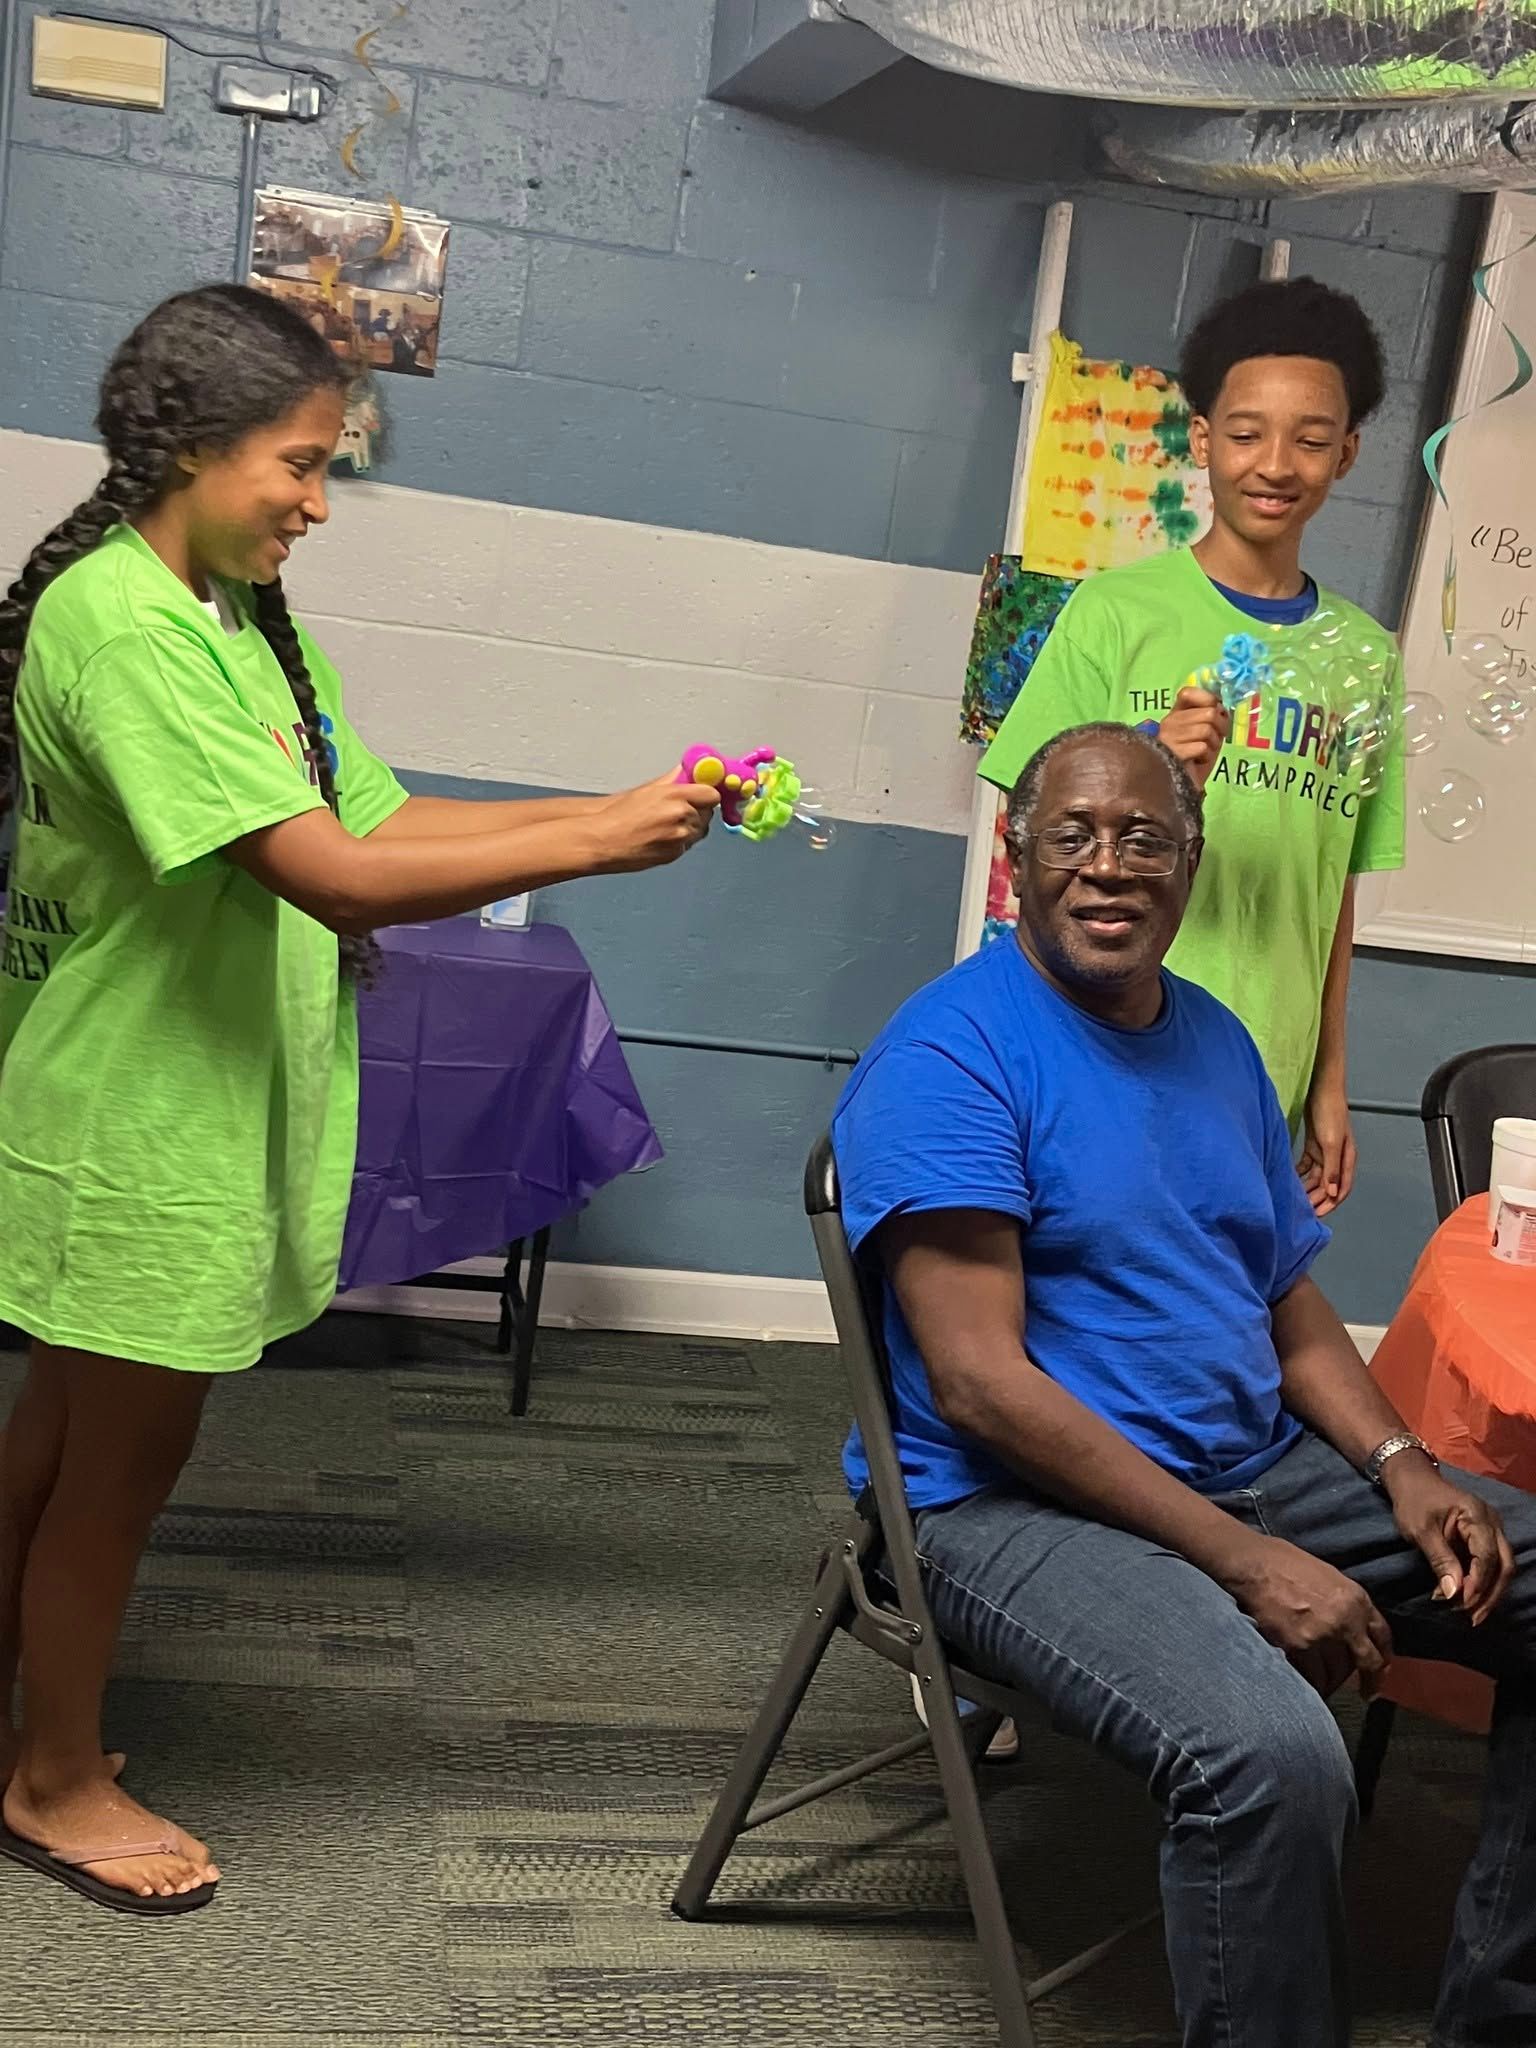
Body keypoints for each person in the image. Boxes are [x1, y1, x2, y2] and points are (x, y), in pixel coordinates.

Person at [0, 283, 718, 1915]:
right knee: (111, 1468)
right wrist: (597, 845)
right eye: (303, 464)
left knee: (59, 1442)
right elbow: (327, 873)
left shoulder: (230, 615)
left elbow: (373, 814)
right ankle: (55, 1779)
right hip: (138, 1122)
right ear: (191, 448)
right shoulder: (128, 627)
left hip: (171, 1107)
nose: (319, 503)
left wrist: (608, 806)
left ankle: (24, 1726)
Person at [833, 723, 1536, 2048]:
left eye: (1144, 837)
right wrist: (1244, 1559)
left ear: (1190, 865)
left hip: (1246, 1464)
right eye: (1073, 835)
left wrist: (1404, 1466)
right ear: (1019, 861)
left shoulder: (1214, 1040)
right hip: (1003, 1507)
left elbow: (1286, 1300)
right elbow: (980, 1388)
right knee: (1273, 1759)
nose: (1108, 865)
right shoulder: (951, 1056)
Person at [979, 277, 1405, 1219]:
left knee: (1229, 1293)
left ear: (1347, 454)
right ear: (1204, 441)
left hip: (1265, 1070)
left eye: (1312, 439)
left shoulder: (1367, 658)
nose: (1276, 465)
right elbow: (1027, 834)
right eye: (1248, 434)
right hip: (1101, 1043)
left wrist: (1330, 1079)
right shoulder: (1114, 614)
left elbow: (1331, 892)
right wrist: (1150, 763)